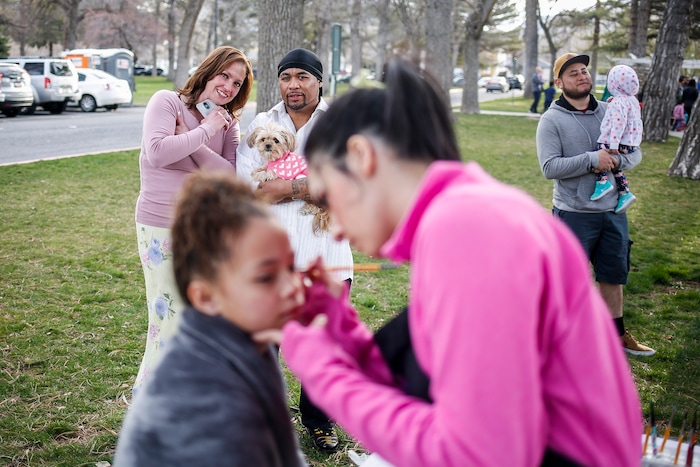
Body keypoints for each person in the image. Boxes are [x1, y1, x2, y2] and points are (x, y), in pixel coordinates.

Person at [253, 57, 642, 466]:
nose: (336, 228)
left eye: (328, 191)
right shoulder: (471, 208)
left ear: (362, 156)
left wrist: (324, 372)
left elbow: (476, 453)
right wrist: (342, 334)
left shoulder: (465, 229)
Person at [114, 171, 307, 466]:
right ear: (205, 297)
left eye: (290, 268)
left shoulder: (250, 349)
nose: (292, 287)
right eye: (266, 277)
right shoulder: (197, 395)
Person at [236, 48, 353, 452]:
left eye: (303, 77)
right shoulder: (263, 124)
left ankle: (318, 422)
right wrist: (310, 187)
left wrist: (287, 188)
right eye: (287, 77)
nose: (293, 85)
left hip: (328, 253)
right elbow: (250, 187)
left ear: (320, 81)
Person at [133, 46, 253, 394]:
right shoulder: (166, 102)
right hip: (160, 225)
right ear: (209, 70)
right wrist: (203, 131)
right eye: (225, 75)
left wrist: (197, 137)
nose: (229, 87)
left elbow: (229, 177)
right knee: (168, 319)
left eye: (237, 83)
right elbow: (157, 153)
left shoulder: (227, 125)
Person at [536, 52, 655, 357]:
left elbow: (635, 151)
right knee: (568, 283)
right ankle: (564, 341)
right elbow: (550, 167)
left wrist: (613, 160)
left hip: (613, 211)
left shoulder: (611, 109)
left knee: (613, 277)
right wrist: (593, 160)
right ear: (559, 82)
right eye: (572, 72)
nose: (581, 76)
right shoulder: (551, 120)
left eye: (584, 70)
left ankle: (617, 337)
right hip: (573, 214)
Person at [590, 64, 641, 214]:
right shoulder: (631, 100)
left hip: (618, 142)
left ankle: (602, 182)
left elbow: (619, 124)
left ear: (614, 83)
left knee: (599, 153)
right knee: (615, 165)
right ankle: (624, 192)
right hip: (631, 142)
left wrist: (613, 143)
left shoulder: (618, 103)